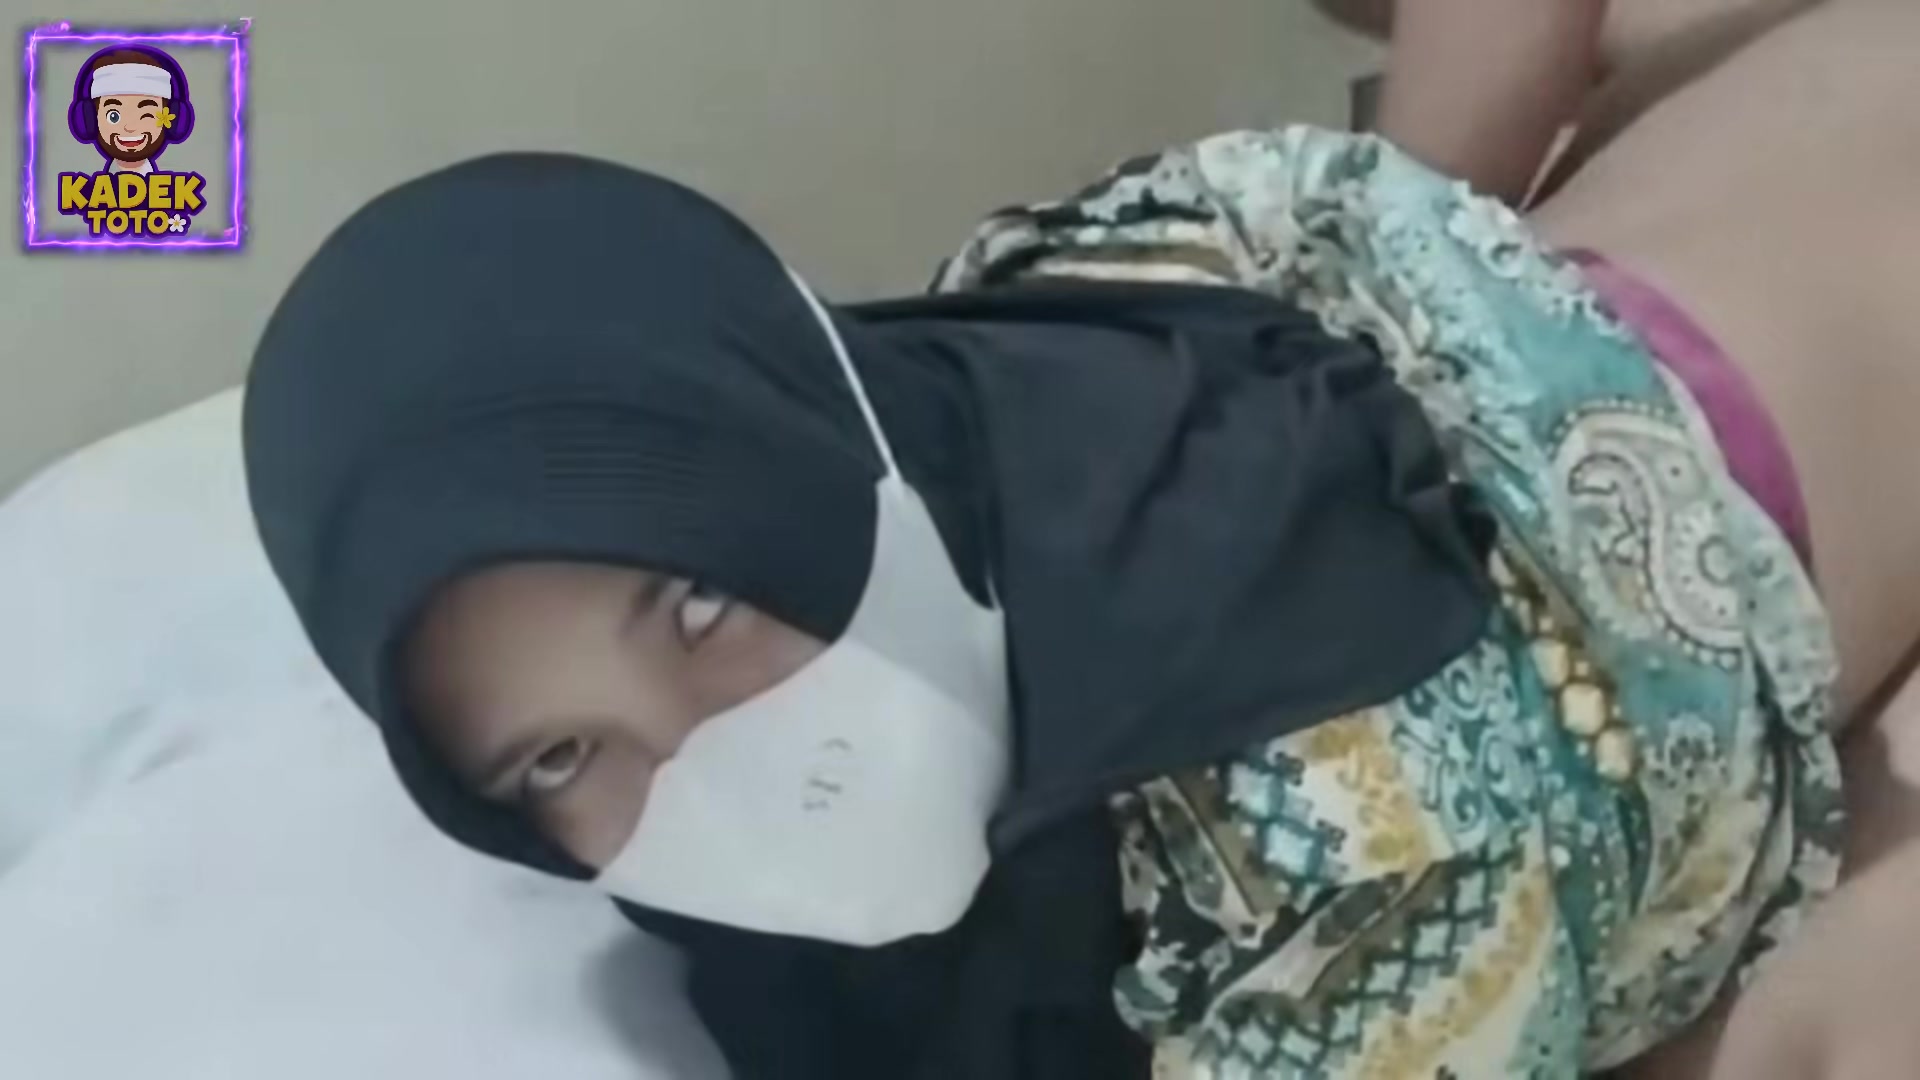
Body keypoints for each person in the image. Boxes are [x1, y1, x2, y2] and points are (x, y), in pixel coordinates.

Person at [243, 0, 1920, 1075]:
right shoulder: (994, 347)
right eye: (557, 757)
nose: (724, 778)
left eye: (696, 605)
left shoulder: (1361, 846)